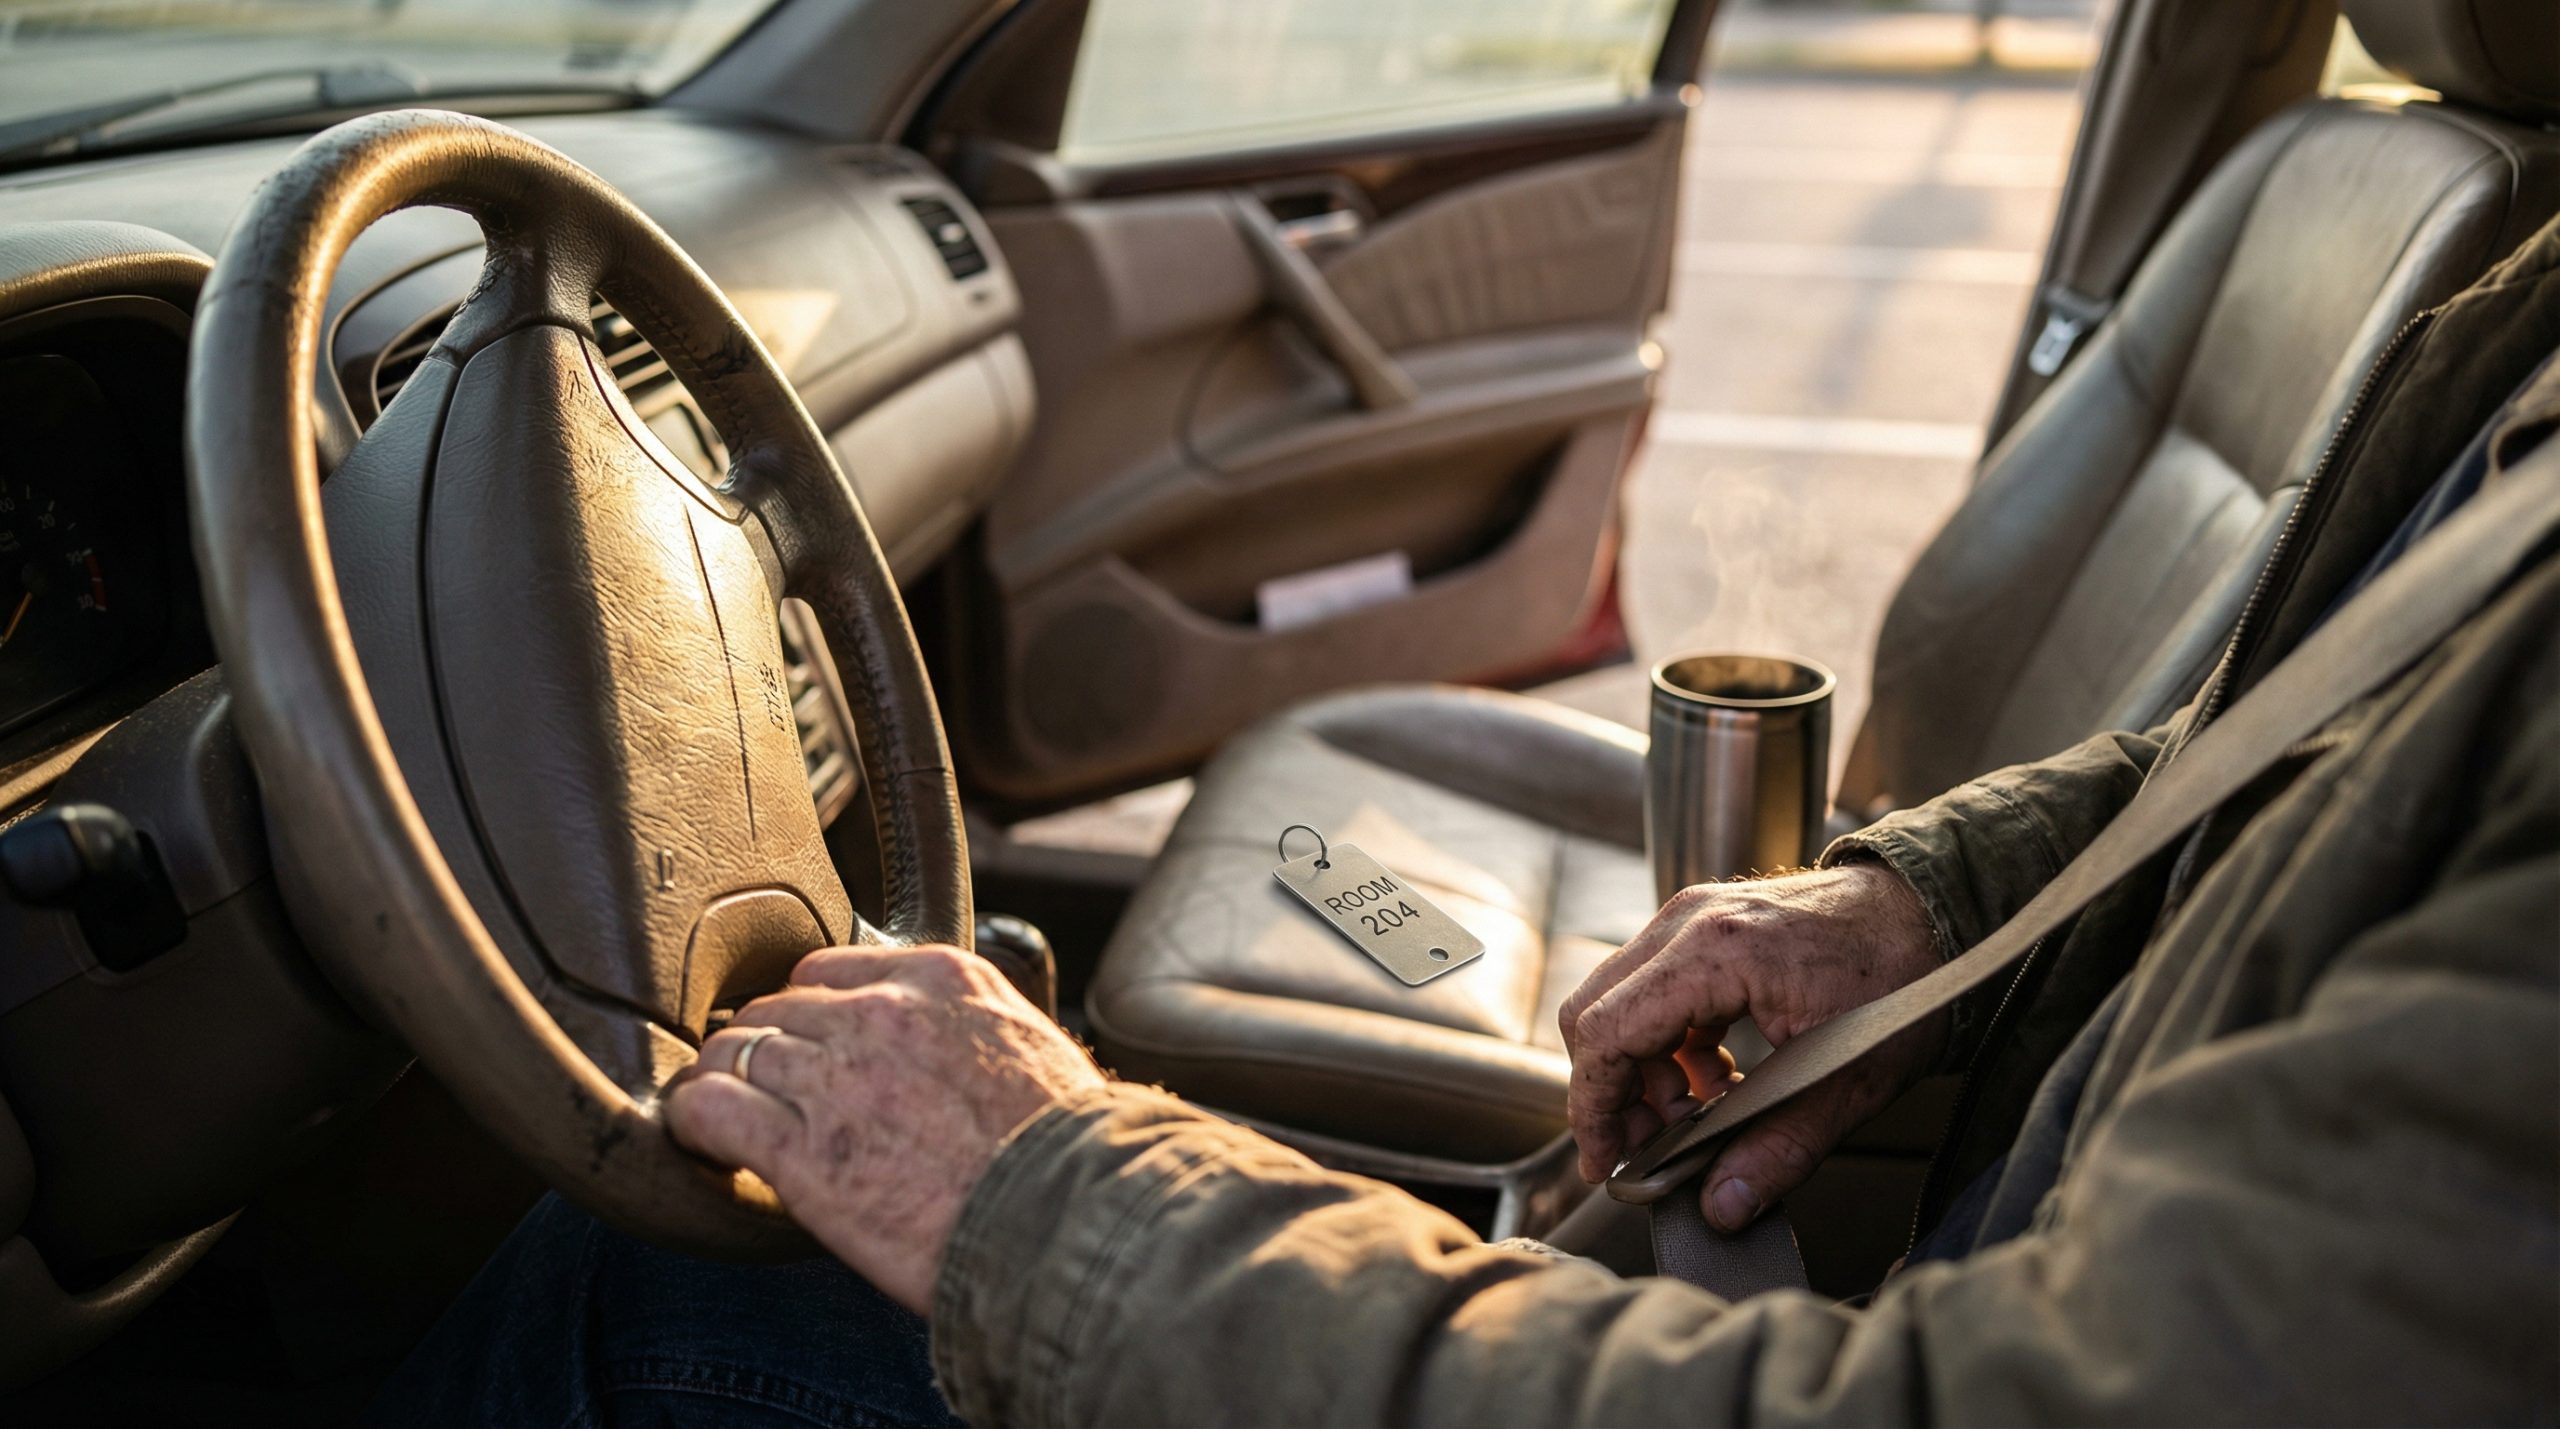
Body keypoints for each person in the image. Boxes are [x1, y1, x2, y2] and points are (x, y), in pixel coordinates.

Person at [379, 335, 2560, 1427]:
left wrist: (1056, 1199)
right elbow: (2289, 749)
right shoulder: (2527, 333)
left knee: (654, 1298)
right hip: (1949, 1260)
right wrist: (1909, 905)